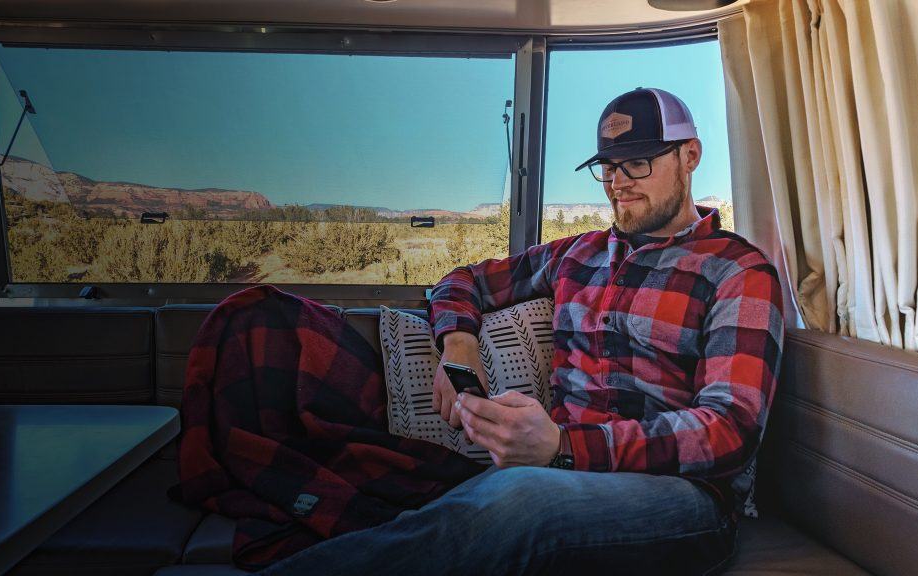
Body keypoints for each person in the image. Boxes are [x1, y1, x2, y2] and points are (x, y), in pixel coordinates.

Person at [260, 88, 784, 575]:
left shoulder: (737, 272)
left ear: (690, 156)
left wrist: (561, 446)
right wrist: (458, 347)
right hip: (554, 476)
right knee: (431, 511)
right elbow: (461, 281)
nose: (618, 183)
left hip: (680, 497)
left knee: (514, 504)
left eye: (638, 163)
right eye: (607, 167)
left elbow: (730, 429)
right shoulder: (577, 254)